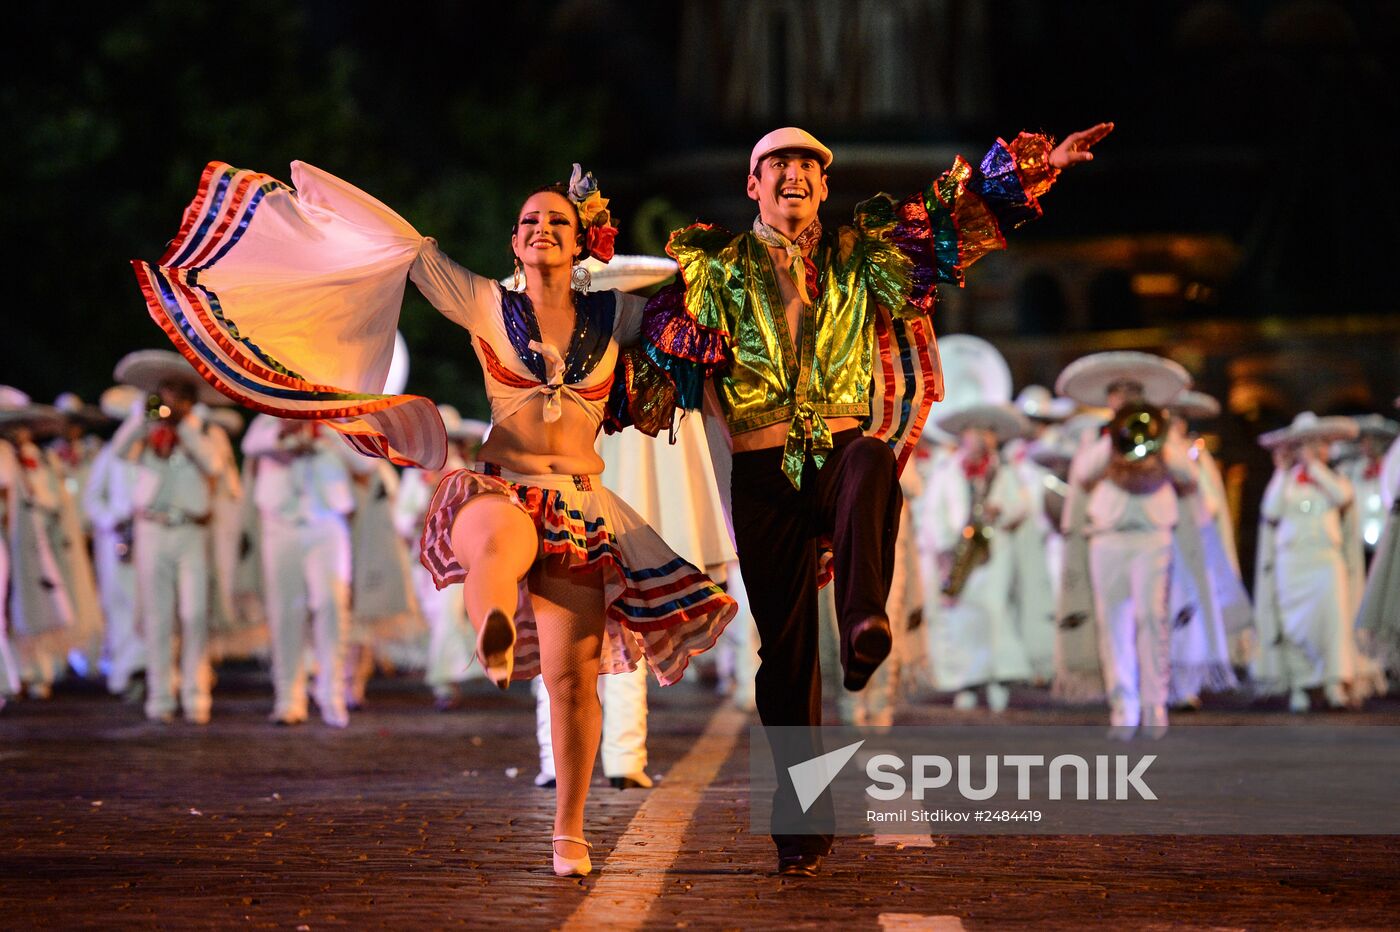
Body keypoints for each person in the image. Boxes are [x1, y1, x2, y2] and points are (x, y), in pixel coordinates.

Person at [133, 160, 736, 878]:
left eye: (558, 223)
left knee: (574, 682)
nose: (543, 230)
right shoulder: (485, 303)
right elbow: (413, 250)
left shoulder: (618, 316)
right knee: (497, 546)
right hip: (503, 485)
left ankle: (569, 832)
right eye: (530, 222)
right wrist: (322, 204)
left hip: (579, 498)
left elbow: (694, 314)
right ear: (514, 243)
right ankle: (494, 629)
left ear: (582, 245)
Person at [638, 121, 1112, 874]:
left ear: (824, 186)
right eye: (777, 164)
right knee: (786, 660)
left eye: (807, 166)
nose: (793, 174)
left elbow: (953, 220)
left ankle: (864, 618)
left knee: (870, 461)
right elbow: (648, 365)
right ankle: (800, 830)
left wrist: (1034, 168)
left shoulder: (863, 254)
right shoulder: (712, 271)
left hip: (838, 452)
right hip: (762, 479)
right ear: (752, 185)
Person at [1054, 351, 1197, 737]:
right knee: (1112, 622)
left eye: (1131, 392)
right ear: (1109, 399)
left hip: (1152, 535)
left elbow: (1188, 475)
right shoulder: (1096, 437)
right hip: (1108, 537)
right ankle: (1124, 707)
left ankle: (1155, 705)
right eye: (1118, 394)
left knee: (1151, 619)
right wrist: (1113, 437)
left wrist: (1159, 440)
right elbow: (1082, 474)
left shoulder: (1162, 431)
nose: (1125, 399)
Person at [110, 351, 223, 724]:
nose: (169, 402)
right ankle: (160, 697)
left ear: (190, 399)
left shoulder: (205, 430)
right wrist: (145, 418)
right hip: (152, 528)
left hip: (191, 529)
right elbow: (119, 452)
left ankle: (196, 694)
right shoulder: (146, 429)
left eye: (176, 395)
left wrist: (185, 425)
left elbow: (215, 465)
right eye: (164, 393)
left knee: (193, 614)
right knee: (158, 617)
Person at [243, 415, 371, 727]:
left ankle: (331, 693)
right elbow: (251, 445)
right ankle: (289, 698)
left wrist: (328, 427)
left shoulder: (339, 420)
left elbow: (367, 463)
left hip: (327, 521)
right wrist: (283, 430)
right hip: (280, 523)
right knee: (286, 611)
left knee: (331, 604)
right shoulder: (269, 416)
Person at [1251, 413, 1367, 711]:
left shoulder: (1333, 480)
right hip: (1292, 564)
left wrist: (1314, 466)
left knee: (1332, 622)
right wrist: (1282, 470)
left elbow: (1343, 497)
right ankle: (1301, 684)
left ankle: (1334, 683)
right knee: (1294, 626)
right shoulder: (1285, 482)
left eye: (1319, 445)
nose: (1313, 450)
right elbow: (1271, 511)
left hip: (1325, 562)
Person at [1005, 385, 1076, 684]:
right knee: (1028, 599)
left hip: (1054, 536)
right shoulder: (1013, 452)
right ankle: (1034, 662)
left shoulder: (1061, 447)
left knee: (1058, 597)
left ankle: (1062, 662)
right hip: (1024, 534)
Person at [82, 385, 145, 699]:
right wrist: (111, 519)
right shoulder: (110, 455)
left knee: (150, 605)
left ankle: (147, 668)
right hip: (117, 541)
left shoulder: (156, 451)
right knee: (120, 605)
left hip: (151, 537)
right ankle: (124, 670)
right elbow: (93, 498)